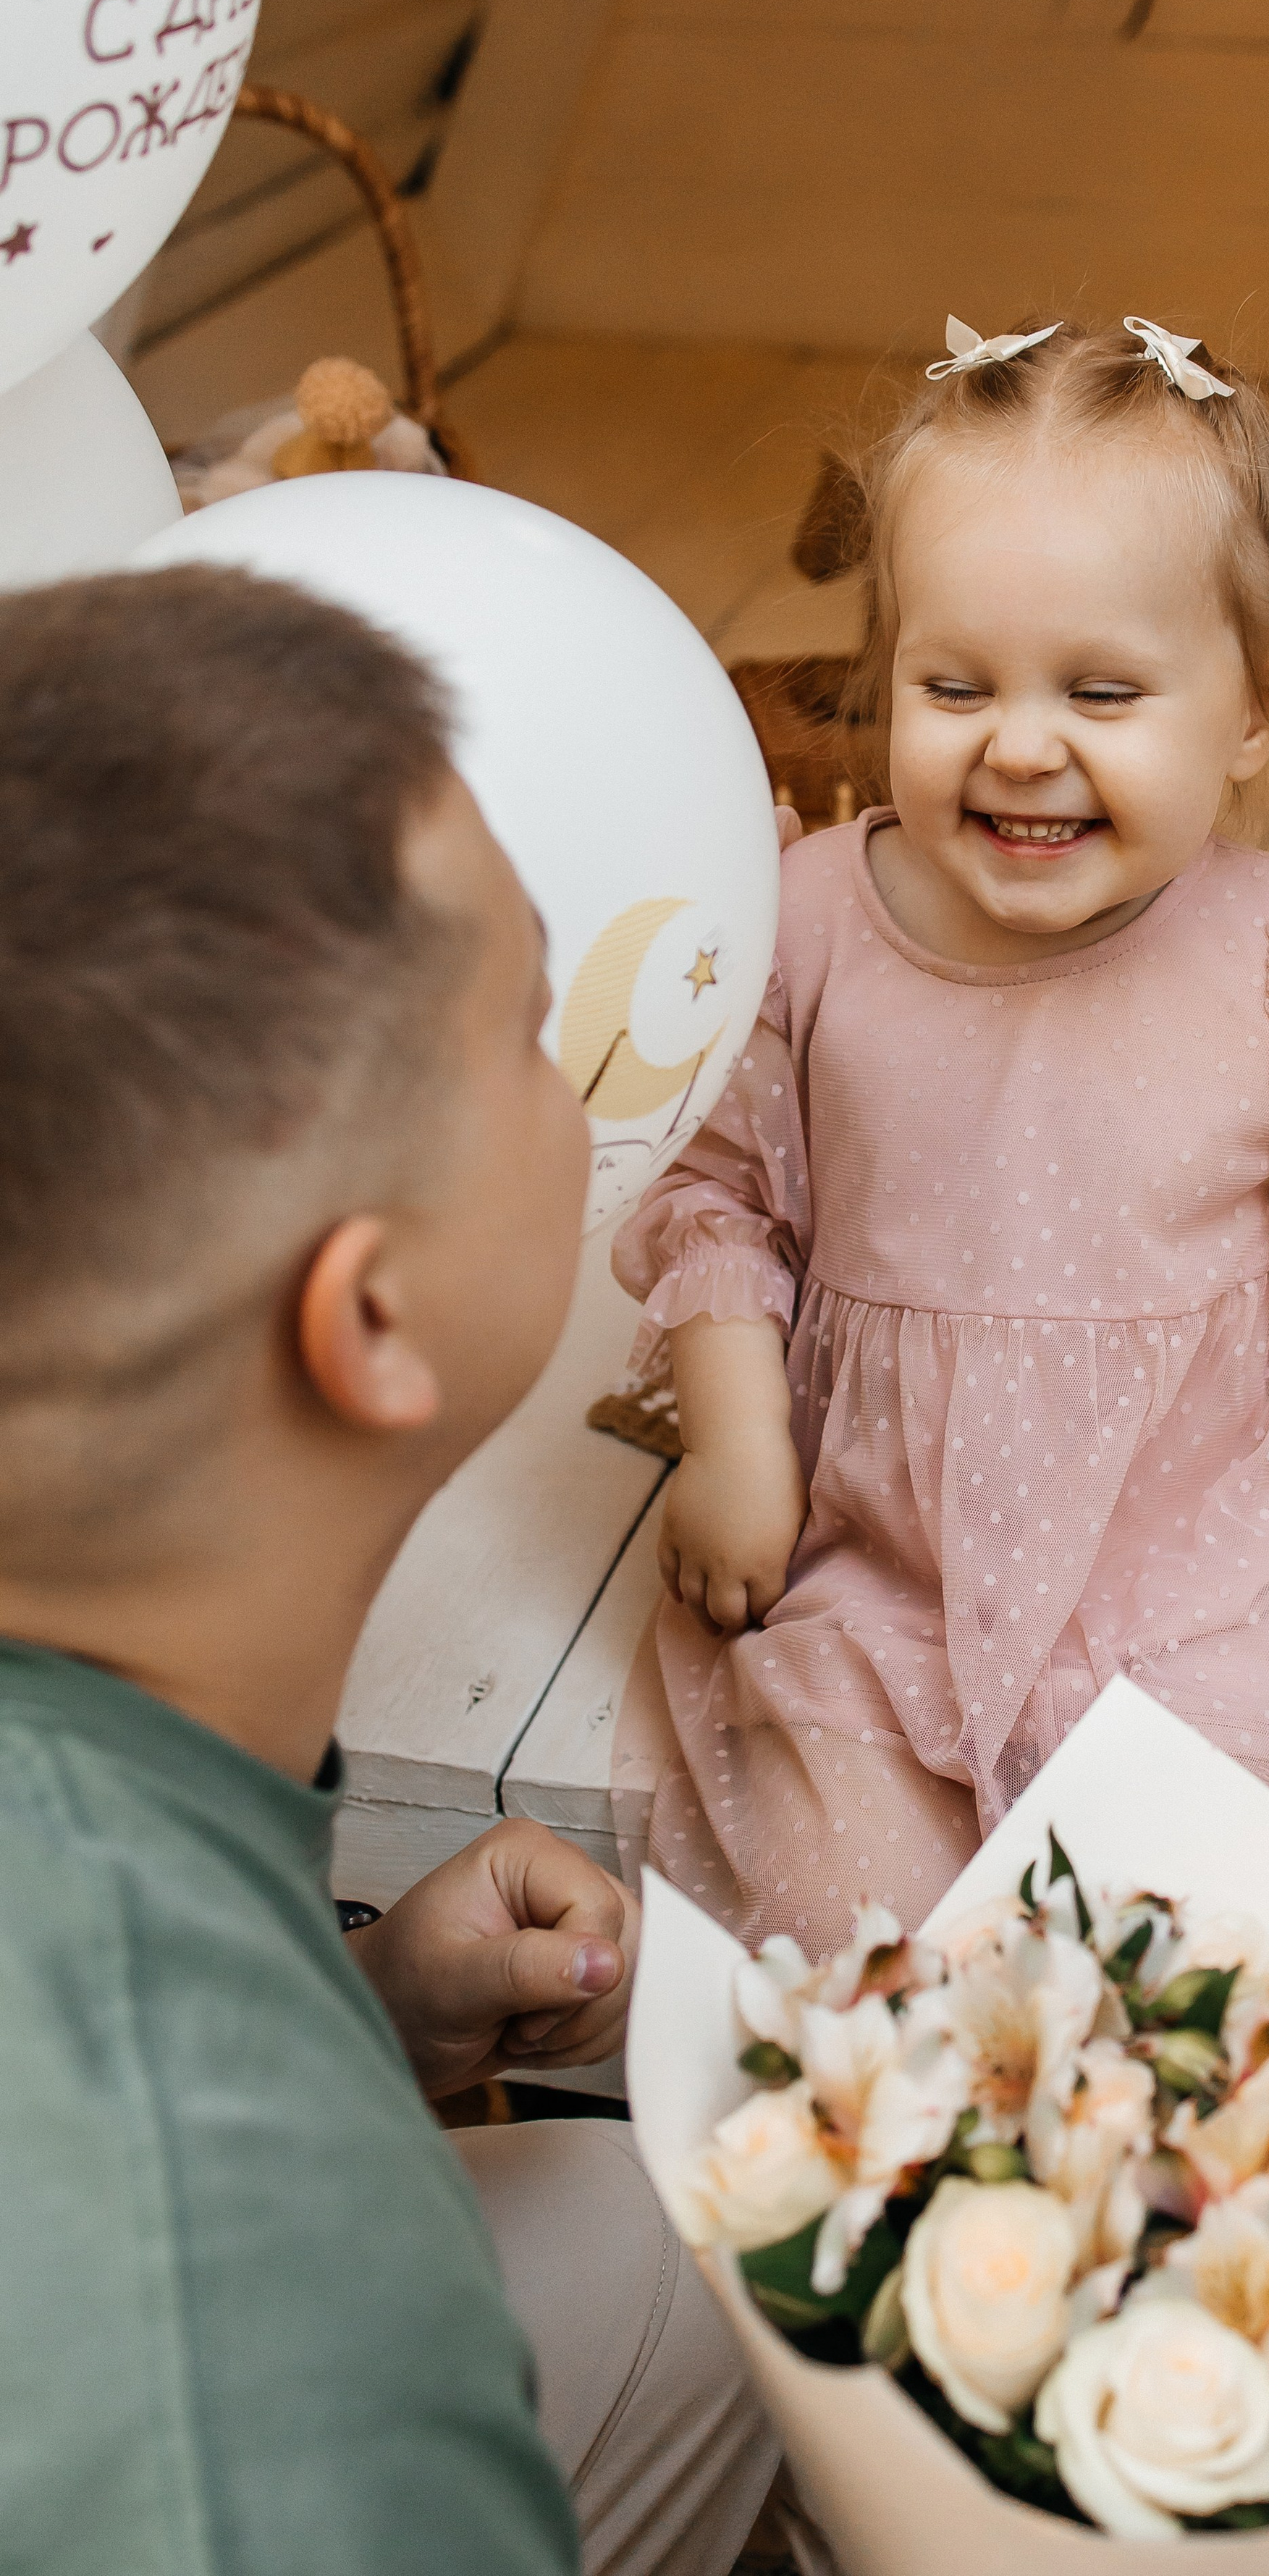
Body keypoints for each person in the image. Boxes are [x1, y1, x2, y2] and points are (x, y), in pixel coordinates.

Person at [616, 311, 1269, 1956]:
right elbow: (718, 1203)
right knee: (857, 1920)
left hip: (1199, 1555)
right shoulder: (805, 922)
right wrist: (735, 1447)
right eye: (952, 683)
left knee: (1189, 1911)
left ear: (1256, 705)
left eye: (1103, 690)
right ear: (886, 670)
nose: (1019, 743)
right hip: (884, 1566)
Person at [0, 568, 779, 2575]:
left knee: (678, 2258)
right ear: (372, 1317)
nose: (591, 1081)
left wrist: (362, 2015)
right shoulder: (276, 2372)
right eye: (537, 1023)